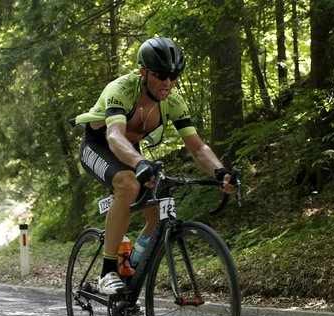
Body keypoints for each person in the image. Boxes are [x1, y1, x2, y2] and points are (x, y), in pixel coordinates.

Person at [72, 37, 238, 295]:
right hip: (99, 144)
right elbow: (114, 136)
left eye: (173, 76)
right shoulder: (122, 89)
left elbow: (197, 147)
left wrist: (220, 171)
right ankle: (107, 272)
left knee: (157, 211)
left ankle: (131, 269)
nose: (167, 83)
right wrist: (140, 163)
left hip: (129, 152)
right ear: (143, 72)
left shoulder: (173, 102)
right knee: (127, 183)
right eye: (161, 75)